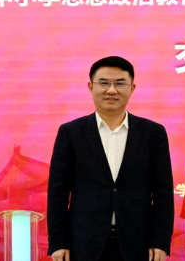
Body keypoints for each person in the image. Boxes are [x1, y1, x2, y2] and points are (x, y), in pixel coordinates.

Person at [47, 56, 174, 261]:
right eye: (104, 83)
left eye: (120, 83)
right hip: (83, 244)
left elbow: (163, 193)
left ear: (132, 88)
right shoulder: (71, 133)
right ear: (91, 87)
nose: (112, 90)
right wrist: (58, 242)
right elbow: (58, 192)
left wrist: (160, 240)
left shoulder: (153, 133)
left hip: (139, 244)